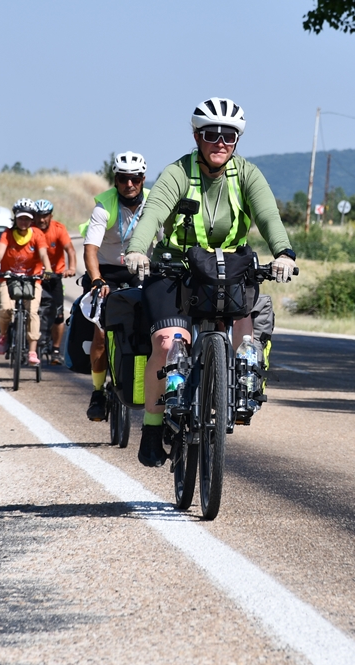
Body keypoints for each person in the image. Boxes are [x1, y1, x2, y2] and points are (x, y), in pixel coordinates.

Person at [124, 98, 296, 467]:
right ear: (196, 136)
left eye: (228, 136)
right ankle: (152, 428)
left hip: (230, 271)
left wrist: (283, 252)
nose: (220, 142)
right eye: (211, 134)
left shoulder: (247, 174)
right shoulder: (177, 173)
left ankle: (237, 392)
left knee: (246, 343)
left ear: (237, 140)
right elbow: (153, 213)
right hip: (176, 270)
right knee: (167, 341)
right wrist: (137, 250)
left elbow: (268, 215)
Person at [81, 151, 148, 421]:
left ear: (143, 179)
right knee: (101, 332)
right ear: (115, 180)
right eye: (123, 179)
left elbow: (166, 240)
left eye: (135, 179)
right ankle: (98, 392)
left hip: (139, 269)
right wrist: (97, 280)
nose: (129, 184)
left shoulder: (153, 203)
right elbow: (90, 249)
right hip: (106, 270)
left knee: (151, 326)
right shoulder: (104, 206)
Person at [0, 199, 54, 366]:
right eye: (20, 218)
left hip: (33, 279)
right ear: (15, 218)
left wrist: (47, 269)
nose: (23, 222)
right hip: (9, 278)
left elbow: (43, 254)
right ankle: (4, 336)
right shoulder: (7, 234)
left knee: (32, 312)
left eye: (27, 218)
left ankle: (32, 351)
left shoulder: (37, 234)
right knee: (6, 308)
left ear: (32, 219)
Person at [33, 198, 76, 365]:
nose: (41, 219)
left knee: (58, 315)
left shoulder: (58, 229)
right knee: (30, 310)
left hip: (55, 277)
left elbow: (70, 249)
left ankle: (56, 350)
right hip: (35, 276)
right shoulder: (29, 229)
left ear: (51, 216)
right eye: (38, 215)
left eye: (45, 216)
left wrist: (71, 268)